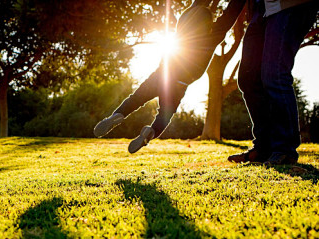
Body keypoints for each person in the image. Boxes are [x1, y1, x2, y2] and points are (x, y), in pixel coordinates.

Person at [94, 0, 246, 153]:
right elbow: (230, 14)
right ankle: (150, 133)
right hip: (179, 83)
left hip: (161, 74)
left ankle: (117, 115)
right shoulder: (212, 35)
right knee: (164, 115)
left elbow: (198, 4)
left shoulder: (183, 26)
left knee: (136, 98)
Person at [227, 0, 319, 165]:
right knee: (248, 79)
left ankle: (284, 149)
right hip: (261, 10)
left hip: (290, 5)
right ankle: (264, 147)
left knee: (274, 74)